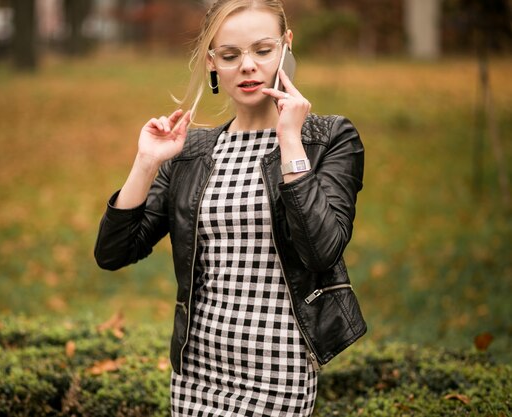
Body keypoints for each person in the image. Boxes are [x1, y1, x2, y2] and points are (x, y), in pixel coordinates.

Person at [94, 0, 366, 415]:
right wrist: (147, 162)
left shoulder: (329, 139)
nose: (248, 66)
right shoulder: (193, 153)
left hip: (281, 372)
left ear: (286, 46)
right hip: (197, 374)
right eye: (231, 54)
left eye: (262, 49)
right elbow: (113, 253)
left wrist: (290, 140)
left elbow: (321, 250)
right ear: (212, 62)